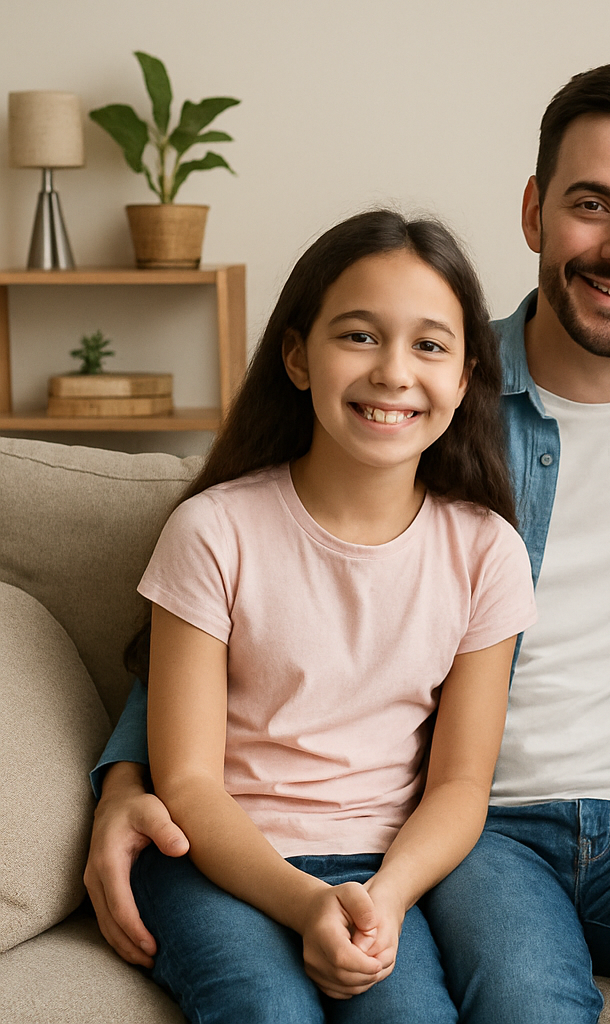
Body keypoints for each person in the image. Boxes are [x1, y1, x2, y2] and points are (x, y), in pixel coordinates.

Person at [85, 64, 610, 1024]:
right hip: (480, 824)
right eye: (591, 205)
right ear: (534, 211)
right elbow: (268, 588)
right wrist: (126, 777)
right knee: (513, 996)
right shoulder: (433, 395)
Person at [122, 209, 536, 1022]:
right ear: (296, 356)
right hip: (217, 855)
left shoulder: (487, 552)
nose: (393, 372)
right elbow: (191, 781)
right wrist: (305, 903)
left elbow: (458, 786)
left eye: (429, 345)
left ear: (465, 377)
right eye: (358, 336)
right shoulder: (214, 530)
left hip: (380, 866)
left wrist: (385, 896)